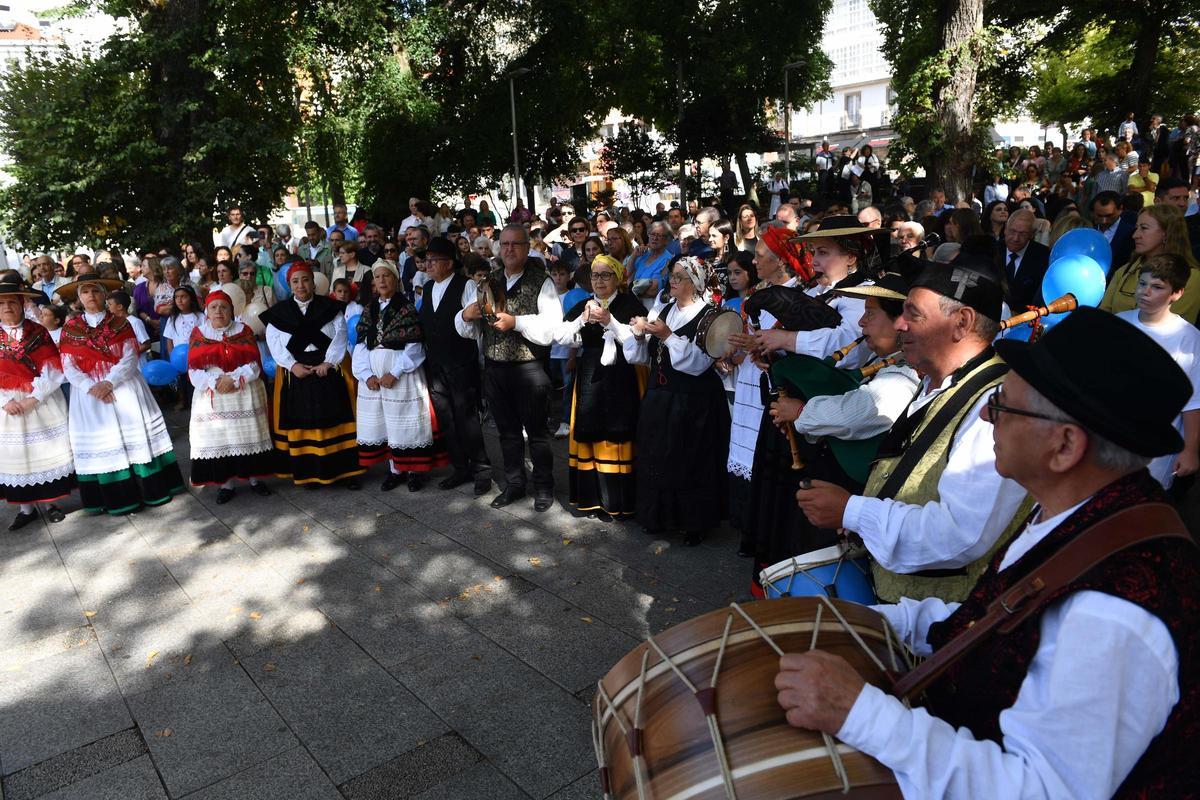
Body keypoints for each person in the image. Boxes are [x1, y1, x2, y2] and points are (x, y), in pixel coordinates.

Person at [777, 307, 1200, 798]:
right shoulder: (1078, 514)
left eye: (1002, 405)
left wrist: (860, 714)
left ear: (1064, 446)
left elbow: (1042, 791)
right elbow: (1001, 617)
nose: (984, 415)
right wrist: (872, 622)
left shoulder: (1115, 612)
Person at [795, 257, 1028, 602]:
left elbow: (958, 535)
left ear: (962, 322)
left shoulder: (994, 406)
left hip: (947, 622)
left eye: (913, 314)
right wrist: (862, 514)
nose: (900, 324)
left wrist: (853, 511)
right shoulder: (937, 383)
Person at [55, 277, 185, 514]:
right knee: (103, 442)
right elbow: (68, 365)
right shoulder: (70, 329)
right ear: (79, 298)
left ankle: (151, 490)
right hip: (89, 395)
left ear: (105, 295)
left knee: (134, 436)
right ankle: (115, 498)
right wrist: (91, 386)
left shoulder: (120, 323)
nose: (91, 295)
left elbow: (130, 357)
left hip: (122, 387)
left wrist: (109, 382)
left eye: (96, 290)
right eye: (86, 291)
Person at [624, 256, 730, 544]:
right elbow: (644, 356)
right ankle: (657, 516)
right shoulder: (665, 308)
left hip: (693, 401)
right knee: (656, 455)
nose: (672, 280)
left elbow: (699, 363)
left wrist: (668, 336)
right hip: (660, 397)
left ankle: (693, 523)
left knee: (690, 459)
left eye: (680, 276)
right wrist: (639, 336)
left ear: (695, 283)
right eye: (672, 274)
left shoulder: (710, 316)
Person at [459, 225, 562, 512]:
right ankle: (515, 484)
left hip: (529, 368)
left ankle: (543, 486)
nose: (509, 249)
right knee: (507, 432)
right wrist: (465, 315)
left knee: (537, 433)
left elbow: (552, 328)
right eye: (504, 244)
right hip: (495, 368)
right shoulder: (488, 281)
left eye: (516, 244)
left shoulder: (541, 281)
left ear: (527, 248)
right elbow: (470, 327)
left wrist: (517, 322)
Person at [552, 254, 644, 519]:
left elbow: (640, 341)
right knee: (591, 432)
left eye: (606, 275)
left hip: (623, 373)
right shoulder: (584, 304)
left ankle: (620, 502)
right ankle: (594, 500)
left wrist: (609, 321)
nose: (600, 281)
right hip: (591, 373)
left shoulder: (629, 303)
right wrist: (582, 320)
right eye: (595, 275)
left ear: (618, 278)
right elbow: (560, 336)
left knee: (619, 435)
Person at [260, 263, 364, 489]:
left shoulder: (330, 307)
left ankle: (346, 472)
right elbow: (274, 342)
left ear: (313, 282)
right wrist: (292, 365)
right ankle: (309, 473)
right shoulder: (279, 313)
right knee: (302, 420)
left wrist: (329, 362)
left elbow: (341, 334)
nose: (301, 285)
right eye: (295, 281)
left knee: (337, 418)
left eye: (305, 279)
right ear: (289, 285)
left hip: (328, 369)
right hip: (297, 372)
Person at [351, 259, 447, 491]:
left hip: (402, 374)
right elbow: (360, 345)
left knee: (406, 422)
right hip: (374, 376)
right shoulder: (369, 310)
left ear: (396, 280)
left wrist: (394, 373)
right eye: (378, 277)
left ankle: (414, 471)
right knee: (385, 423)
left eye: (387, 276)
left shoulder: (407, 308)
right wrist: (366, 375)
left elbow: (415, 346)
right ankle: (395, 470)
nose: (382, 280)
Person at [1113, 253, 1200, 492]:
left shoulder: (1189, 338)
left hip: (1153, 449)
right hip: (1110, 435)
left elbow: (1194, 402)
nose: (1145, 292)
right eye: (1142, 283)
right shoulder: (1119, 322)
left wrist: (1190, 450)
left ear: (1177, 293)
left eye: (1157, 287)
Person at [186, 290, 275, 503]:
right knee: (221, 439)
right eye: (214, 307)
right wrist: (215, 382)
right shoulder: (199, 334)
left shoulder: (243, 330)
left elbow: (255, 364)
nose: (219, 311)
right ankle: (226, 485)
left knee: (249, 436)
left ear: (232, 310)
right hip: (213, 394)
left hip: (243, 390)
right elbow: (193, 369)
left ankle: (255, 480)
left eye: (223, 307)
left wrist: (234, 379)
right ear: (207, 311)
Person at [419, 237, 491, 495]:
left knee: (467, 417)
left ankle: (482, 470)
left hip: (461, 363)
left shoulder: (466, 285)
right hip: (436, 365)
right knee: (447, 418)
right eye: (426, 260)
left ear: (449, 263)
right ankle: (460, 468)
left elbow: (473, 327)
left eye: (433, 260)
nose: (428, 264)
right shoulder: (428, 287)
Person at [0, 284, 74, 530]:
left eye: (12, 302)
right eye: (1, 303)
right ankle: (26, 509)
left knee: (43, 451)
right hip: (7, 405)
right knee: (17, 455)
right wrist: (5, 401)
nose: (7, 307)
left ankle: (52, 504)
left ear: (22, 304)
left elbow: (52, 368)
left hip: (40, 400)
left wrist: (32, 398)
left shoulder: (38, 332)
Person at [1100, 204, 1200, 323]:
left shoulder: (1191, 277)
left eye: (1144, 228)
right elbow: (1103, 314)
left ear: (1166, 233)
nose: (1135, 235)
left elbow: (1166, 324)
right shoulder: (1124, 271)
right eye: (1137, 228)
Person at [548, 261, 589, 439]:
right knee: (547, 388)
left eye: (562, 274)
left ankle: (566, 421)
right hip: (549, 351)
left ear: (569, 276)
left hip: (567, 352)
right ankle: (548, 418)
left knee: (567, 389)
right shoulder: (545, 297)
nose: (558, 278)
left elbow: (576, 328)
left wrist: (573, 356)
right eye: (554, 274)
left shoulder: (574, 296)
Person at [998, 208, 1050, 312]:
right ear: (1005, 230)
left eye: (1023, 234)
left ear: (1032, 235)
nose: (1015, 238)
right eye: (1012, 231)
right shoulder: (991, 250)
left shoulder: (1043, 256)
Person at [630, 221, 674, 311]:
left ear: (666, 240)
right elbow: (626, 275)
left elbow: (653, 290)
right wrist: (634, 256)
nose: (655, 238)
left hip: (649, 308)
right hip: (633, 303)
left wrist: (630, 290)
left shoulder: (668, 260)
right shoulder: (643, 254)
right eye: (652, 234)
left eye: (659, 235)